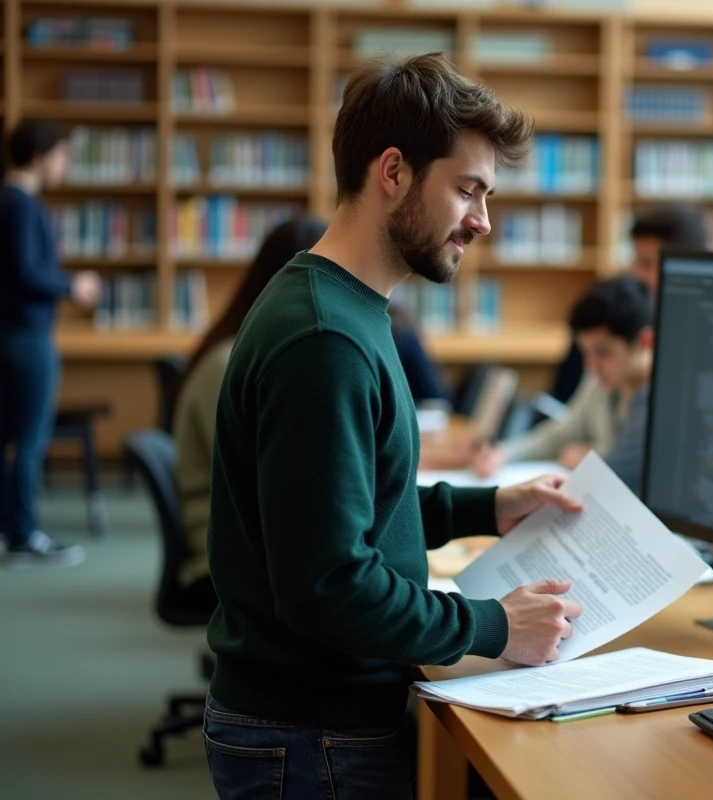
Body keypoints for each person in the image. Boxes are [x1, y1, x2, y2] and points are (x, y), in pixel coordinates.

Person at [201, 53, 585, 800]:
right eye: (468, 190)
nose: (483, 221)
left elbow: (356, 511)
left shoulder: (341, 305)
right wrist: (495, 626)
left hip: (314, 723)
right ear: (394, 172)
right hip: (310, 736)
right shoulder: (325, 341)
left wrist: (487, 507)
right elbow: (330, 585)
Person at [173, 217, 326, 615]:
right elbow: (270, 482)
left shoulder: (252, 349)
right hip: (229, 550)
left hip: (251, 536)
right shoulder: (231, 362)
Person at [0, 119, 101, 569]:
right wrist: (71, 286)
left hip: (11, 332)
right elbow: (25, 272)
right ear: (41, 156)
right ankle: (23, 535)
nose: (66, 164)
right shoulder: (22, 204)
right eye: (62, 154)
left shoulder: (9, 201)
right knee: (30, 437)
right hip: (28, 336)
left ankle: (12, 529)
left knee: (10, 435)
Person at [473, 275, 655, 491]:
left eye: (603, 352)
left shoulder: (658, 398)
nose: (591, 366)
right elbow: (562, 435)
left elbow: (622, 473)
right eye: (585, 353)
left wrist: (589, 457)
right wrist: (502, 454)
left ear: (645, 341)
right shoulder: (601, 380)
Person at [549, 204, 706, 402]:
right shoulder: (609, 317)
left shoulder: (699, 346)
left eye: (647, 264)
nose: (635, 273)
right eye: (635, 261)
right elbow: (563, 398)